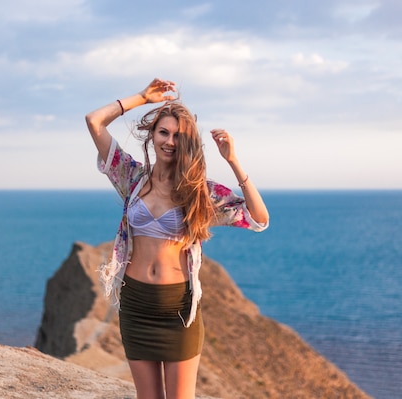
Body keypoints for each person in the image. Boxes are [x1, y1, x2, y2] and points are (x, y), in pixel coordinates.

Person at [85, 78, 269, 399]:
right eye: (164, 132)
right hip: (135, 304)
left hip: (178, 311)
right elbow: (94, 121)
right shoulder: (131, 176)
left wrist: (233, 161)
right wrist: (142, 98)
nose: (169, 141)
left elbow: (258, 219)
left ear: (187, 143)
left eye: (178, 136)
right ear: (152, 135)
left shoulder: (200, 192)